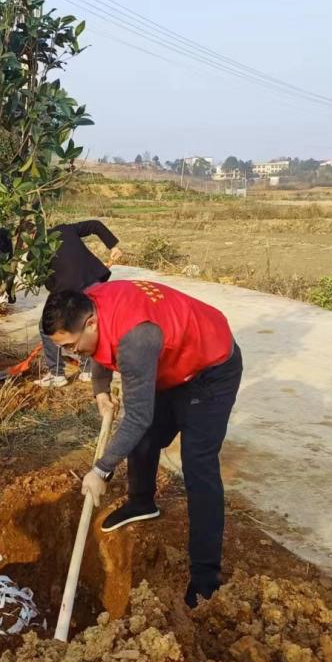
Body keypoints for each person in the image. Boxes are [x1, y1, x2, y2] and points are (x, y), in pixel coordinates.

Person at [41, 280, 242, 607]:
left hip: (210, 368)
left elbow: (137, 416)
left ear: (90, 322)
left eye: (71, 344)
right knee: (144, 436)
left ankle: (206, 578)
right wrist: (100, 388)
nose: (70, 353)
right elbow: (101, 353)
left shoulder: (136, 339)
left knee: (198, 465)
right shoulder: (89, 299)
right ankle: (141, 502)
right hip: (172, 363)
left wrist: (101, 469)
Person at [34, 220, 123, 388]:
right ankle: (88, 370)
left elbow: (48, 283)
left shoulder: (36, 251)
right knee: (89, 323)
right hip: (93, 280)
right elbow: (95, 225)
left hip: (69, 290)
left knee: (46, 327)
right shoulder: (63, 229)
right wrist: (113, 247)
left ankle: (56, 374)